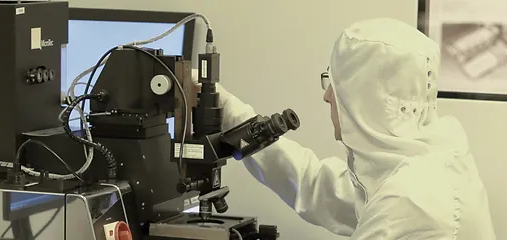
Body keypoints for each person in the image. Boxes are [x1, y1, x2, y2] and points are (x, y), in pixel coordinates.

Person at [211, 18, 496, 239]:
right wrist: (223, 107)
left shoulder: (412, 198)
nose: (327, 96)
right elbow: (317, 186)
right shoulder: (430, 161)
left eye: (335, 84)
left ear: (363, 98)